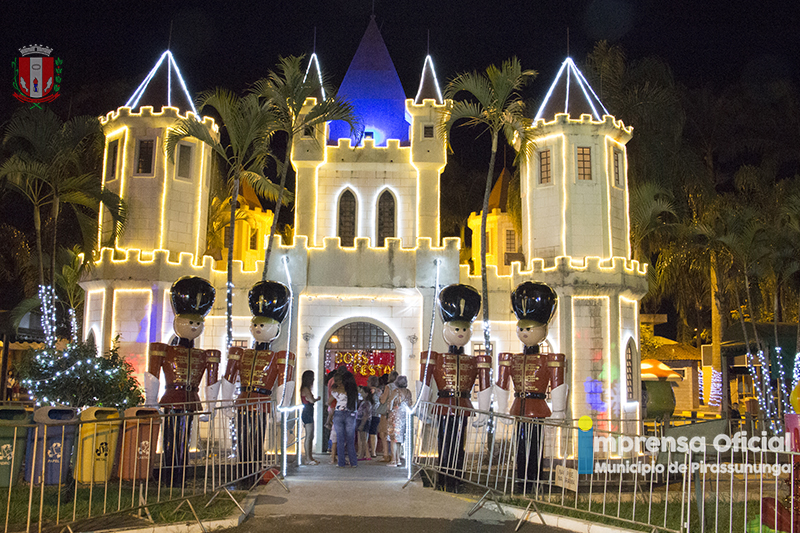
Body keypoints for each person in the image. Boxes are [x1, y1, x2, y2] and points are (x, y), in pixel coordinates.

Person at [417, 284, 492, 491]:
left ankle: (457, 478)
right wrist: (423, 406)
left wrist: (483, 410)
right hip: (443, 404)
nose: (460, 333)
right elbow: (426, 380)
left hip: (464, 405)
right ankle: (443, 476)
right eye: (456, 329)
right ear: (447, 330)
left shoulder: (476, 360)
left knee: (460, 445)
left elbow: (484, 384)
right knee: (445, 443)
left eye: (464, 329)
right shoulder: (435, 357)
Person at [146, 277, 220, 480]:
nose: (194, 326)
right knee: (170, 437)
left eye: (198, 323)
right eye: (190, 322)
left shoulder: (204, 354)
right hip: (171, 398)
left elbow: (211, 382)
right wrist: (151, 401)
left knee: (185, 438)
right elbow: (152, 374)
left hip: (190, 400)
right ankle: (170, 473)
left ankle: (181, 472)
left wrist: (210, 407)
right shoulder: (164, 350)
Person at [495, 281, 566, 485]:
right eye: (522, 328)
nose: (525, 332)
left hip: (538, 407)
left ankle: (534, 479)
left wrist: (559, 411)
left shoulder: (549, 360)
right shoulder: (512, 358)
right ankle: (521, 478)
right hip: (519, 407)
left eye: (530, 328)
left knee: (536, 445)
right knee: (520, 444)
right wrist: (502, 408)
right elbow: (502, 382)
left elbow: (557, 383)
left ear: (543, 330)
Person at [329, 370, 358, 468]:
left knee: (340, 439)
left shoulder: (337, 389)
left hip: (339, 413)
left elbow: (329, 401)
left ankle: (341, 462)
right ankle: (353, 462)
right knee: (350, 439)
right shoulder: (353, 390)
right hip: (351, 413)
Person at [387, 375, 412, 467]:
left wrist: (389, 410)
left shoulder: (396, 391)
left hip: (396, 414)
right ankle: (398, 459)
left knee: (393, 438)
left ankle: (393, 460)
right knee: (400, 439)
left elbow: (391, 401)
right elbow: (410, 403)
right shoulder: (408, 392)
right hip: (404, 415)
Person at [300, 370, 320, 465]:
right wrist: (317, 399)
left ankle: (310, 456)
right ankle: (308, 457)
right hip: (308, 412)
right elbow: (311, 400)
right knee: (309, 435)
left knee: (310, 435)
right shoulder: (306, 389)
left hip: (308, 411)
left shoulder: (305, 388)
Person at [379, 371, 398, 461]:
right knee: (394, 435)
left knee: (384, 433)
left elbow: (383, 400)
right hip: (397, 412)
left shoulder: (388, 386)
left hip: (387, 413)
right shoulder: (399, 388)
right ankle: (395, 456)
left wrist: (380, 396)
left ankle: (386, 454)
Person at [356, 386, 373, 460]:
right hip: (361, 420)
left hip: (363, 421)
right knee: (362, 439)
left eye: (362, 392)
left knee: (363, 439)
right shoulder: (364, 402)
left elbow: (366, 415)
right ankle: (362, 454)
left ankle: (362, 454)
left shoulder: (366, 403)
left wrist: (362, 424)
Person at [367, 375, 381, 457]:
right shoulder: (379, 391)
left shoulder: (371, 391)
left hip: (371, 414)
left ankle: (372, 451)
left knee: (371, 432)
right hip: (377, 414)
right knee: (373, 432)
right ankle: (373, 451)